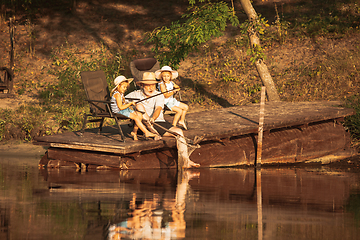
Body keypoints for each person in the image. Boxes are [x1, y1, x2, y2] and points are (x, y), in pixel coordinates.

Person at [126, 72, 200, 168]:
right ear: (142, 85)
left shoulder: (158, 95)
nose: (151, 88)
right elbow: (119, 103)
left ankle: (186, 160)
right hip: (143, 126)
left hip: (158, 122)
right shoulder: (135, 94)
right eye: (148, 85)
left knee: (179, 132)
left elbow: (158, 109)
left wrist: (153, 118)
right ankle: (151, 130)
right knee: (139, 106)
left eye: (153, 85)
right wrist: (130, 108)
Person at [110, 75, 159, 141]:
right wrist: (130, 103)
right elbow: (120, 107)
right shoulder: (117, 95)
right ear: (118, 86)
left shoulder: (121, 93)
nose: (125, 89)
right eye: (124, 87)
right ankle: (146, 132)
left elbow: (123, 104)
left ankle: (134, 132)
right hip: (118, 111)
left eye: (126, 87)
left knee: (140, 115)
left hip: (124, 109)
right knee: (136, 117)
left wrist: (129, 103)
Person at [155, 66, 189, 130]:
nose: (166, 78)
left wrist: (177, 88)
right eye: (164, 76)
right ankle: (174, 125)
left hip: (172, 100)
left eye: (167, 76)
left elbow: (177, 87)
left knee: (186, 107)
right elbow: (165, 95)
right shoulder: (161, 84)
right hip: (166, 102)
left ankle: (181, 121)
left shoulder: (171, 82)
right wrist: (173, 92)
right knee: (179, 111)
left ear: (170, 76)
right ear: (162, 76)